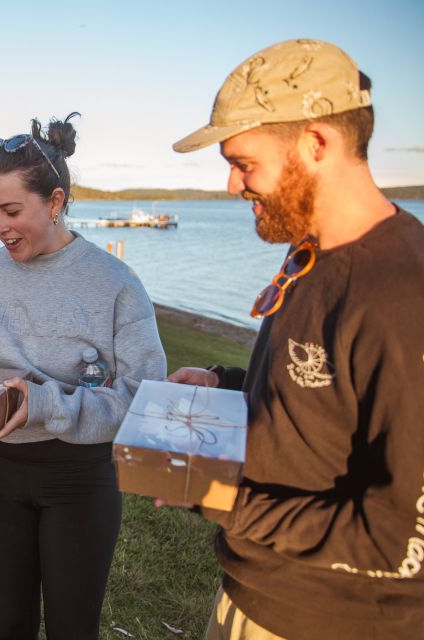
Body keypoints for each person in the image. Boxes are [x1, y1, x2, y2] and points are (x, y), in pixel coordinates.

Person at [166, 39, 424, 639]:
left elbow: (399, 538)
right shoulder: (309, 252)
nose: (233, 185)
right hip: (250, 594)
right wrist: (223, 384)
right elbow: (316, 403)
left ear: (316, 143)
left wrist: (225, 498)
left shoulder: (402, 295)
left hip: (332, 620)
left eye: (244, 162)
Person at [0, 114, 167, 640]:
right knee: (9, 625)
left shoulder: (115, 284)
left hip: (79, 477)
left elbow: (142, 399)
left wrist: (46, 404)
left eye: (12, 210)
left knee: (72, 628)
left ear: (55, 203)